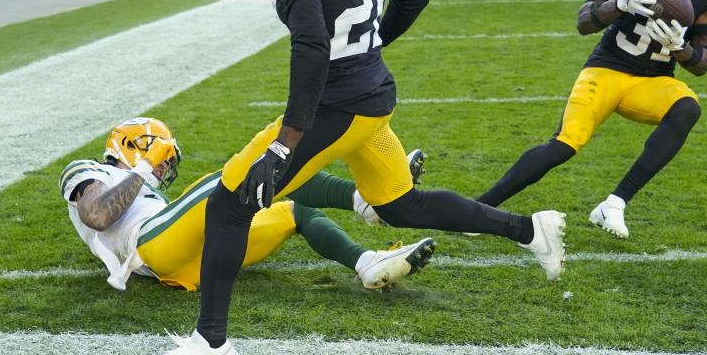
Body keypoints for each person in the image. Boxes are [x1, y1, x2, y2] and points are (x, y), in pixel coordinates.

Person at [142, 0, 565, 355]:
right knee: (399, 206)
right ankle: (531, 230)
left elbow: (313, 43)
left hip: (336, 106)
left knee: (229, 203)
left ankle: (211, 344)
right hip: (374, 96)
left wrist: (287, 140)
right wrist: (371, 45)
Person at [477, 0, 707, 241]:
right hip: (607, 69)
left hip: (653, 80)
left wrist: (681, 48)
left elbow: (703, 63)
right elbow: (584, 22)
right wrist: (619, 4)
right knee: (564, 145)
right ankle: (479, 210)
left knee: (687, 107)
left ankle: (614, 204)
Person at [60, 117, 435, 295]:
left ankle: (366, 261)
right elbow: (97, 216)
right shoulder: (86, 170)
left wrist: (144, 172)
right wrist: (143, 167)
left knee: (294, 211)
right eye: (159, 157)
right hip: (148, 248)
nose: (162, 167)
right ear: (130, 147)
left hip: (186, 262)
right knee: (237, 176)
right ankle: (367, 202)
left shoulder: (146, 190)